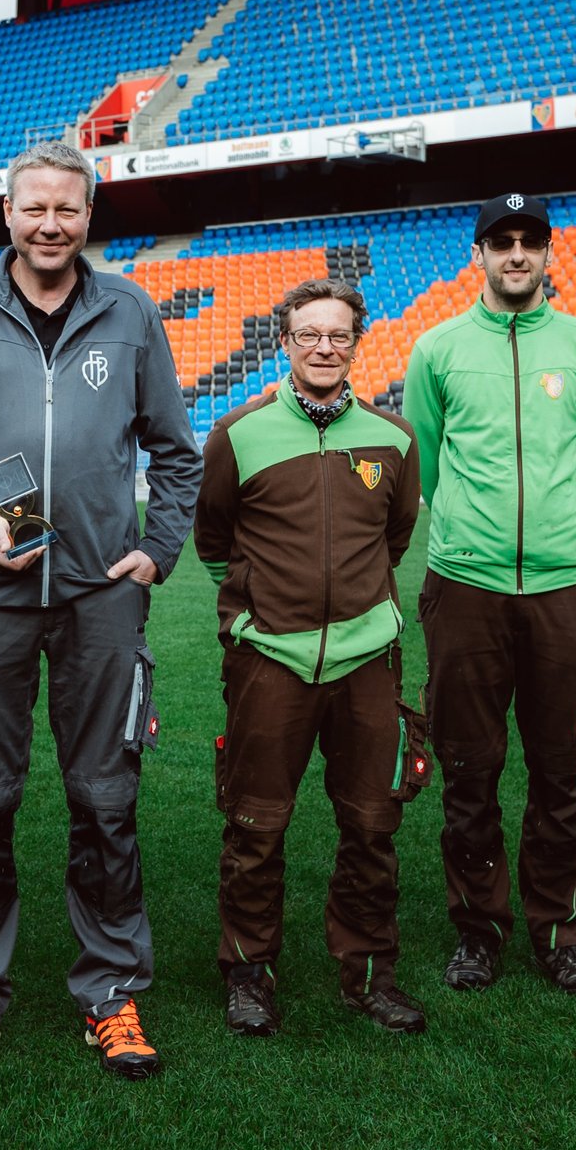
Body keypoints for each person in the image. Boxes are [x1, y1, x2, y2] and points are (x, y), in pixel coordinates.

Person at [0, 140, 201, 1079]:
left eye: (68, 210)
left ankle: (112, 992)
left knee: (106, 800)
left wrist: (160, 548)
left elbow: (175, 451)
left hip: (103, 594)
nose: (50, 225)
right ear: (8, 216)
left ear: (88, 218)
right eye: (36, 210)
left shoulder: (132, 311)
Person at [194, 277, 428, 1038]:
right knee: (256, 825)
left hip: (367, 662)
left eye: (338, 335)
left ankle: (368, 973)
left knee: (371, 824)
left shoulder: (393, 439)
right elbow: (214, 540)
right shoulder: (239, 434)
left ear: (356, 343)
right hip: (271, 663)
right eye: (308, 335)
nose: (324, 348)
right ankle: (248, 975)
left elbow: (393, 539)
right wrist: (260, 611)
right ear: (285, 343)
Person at [401, 193, 576, 996]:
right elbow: (422, 459)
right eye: (502, 241)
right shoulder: (438, 349)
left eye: (530, 241)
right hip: (464, 586)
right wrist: (479, 531)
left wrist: (552, 528)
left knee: (560, 770)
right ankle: (478, 931)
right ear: (480, 254)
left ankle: (558, 931)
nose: (516, 254)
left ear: (547, 254)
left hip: (564, 587)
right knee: (469, 767)